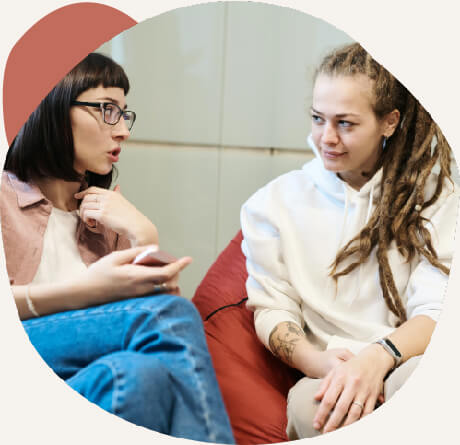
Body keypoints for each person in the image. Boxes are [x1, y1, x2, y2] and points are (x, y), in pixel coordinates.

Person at [1, 52, 234, 444]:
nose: (122, 130)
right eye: (107, 110)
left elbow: (146, 316)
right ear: (52, 108)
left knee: (140, 376)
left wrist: (144, 234)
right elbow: (160, 317)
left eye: (124, 114)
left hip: (83, 379)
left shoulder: (106, 218)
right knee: (169, 317)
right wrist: (87, 290)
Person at [240, 42, 458, 438]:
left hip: (406, 358)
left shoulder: (434, 199)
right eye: (318, 118)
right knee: (316, 413)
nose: (327, 138)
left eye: (346, 123)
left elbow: (438, 307)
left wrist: (381, 356)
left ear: (389, 122)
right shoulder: (271, 205)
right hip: (327, 367)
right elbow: (272, 308)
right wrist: (315, 362)